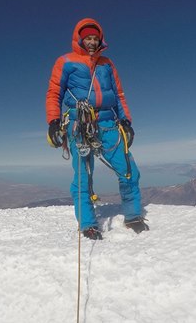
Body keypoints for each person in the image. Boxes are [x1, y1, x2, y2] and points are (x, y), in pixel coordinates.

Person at [45, 18, 149, 240]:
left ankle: (133, 216)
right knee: (83, 176)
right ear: (80, 39)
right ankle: (88, 224)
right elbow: (54, 93)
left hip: (109, 124)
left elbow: (119, 95)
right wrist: (54, 122)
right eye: (88, 38)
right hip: (79, 125)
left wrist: (126, 121)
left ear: (100, 40)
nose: (92, 42)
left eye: (95, 38)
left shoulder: (107, 64)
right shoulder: (65, 61)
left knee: (129, 170)